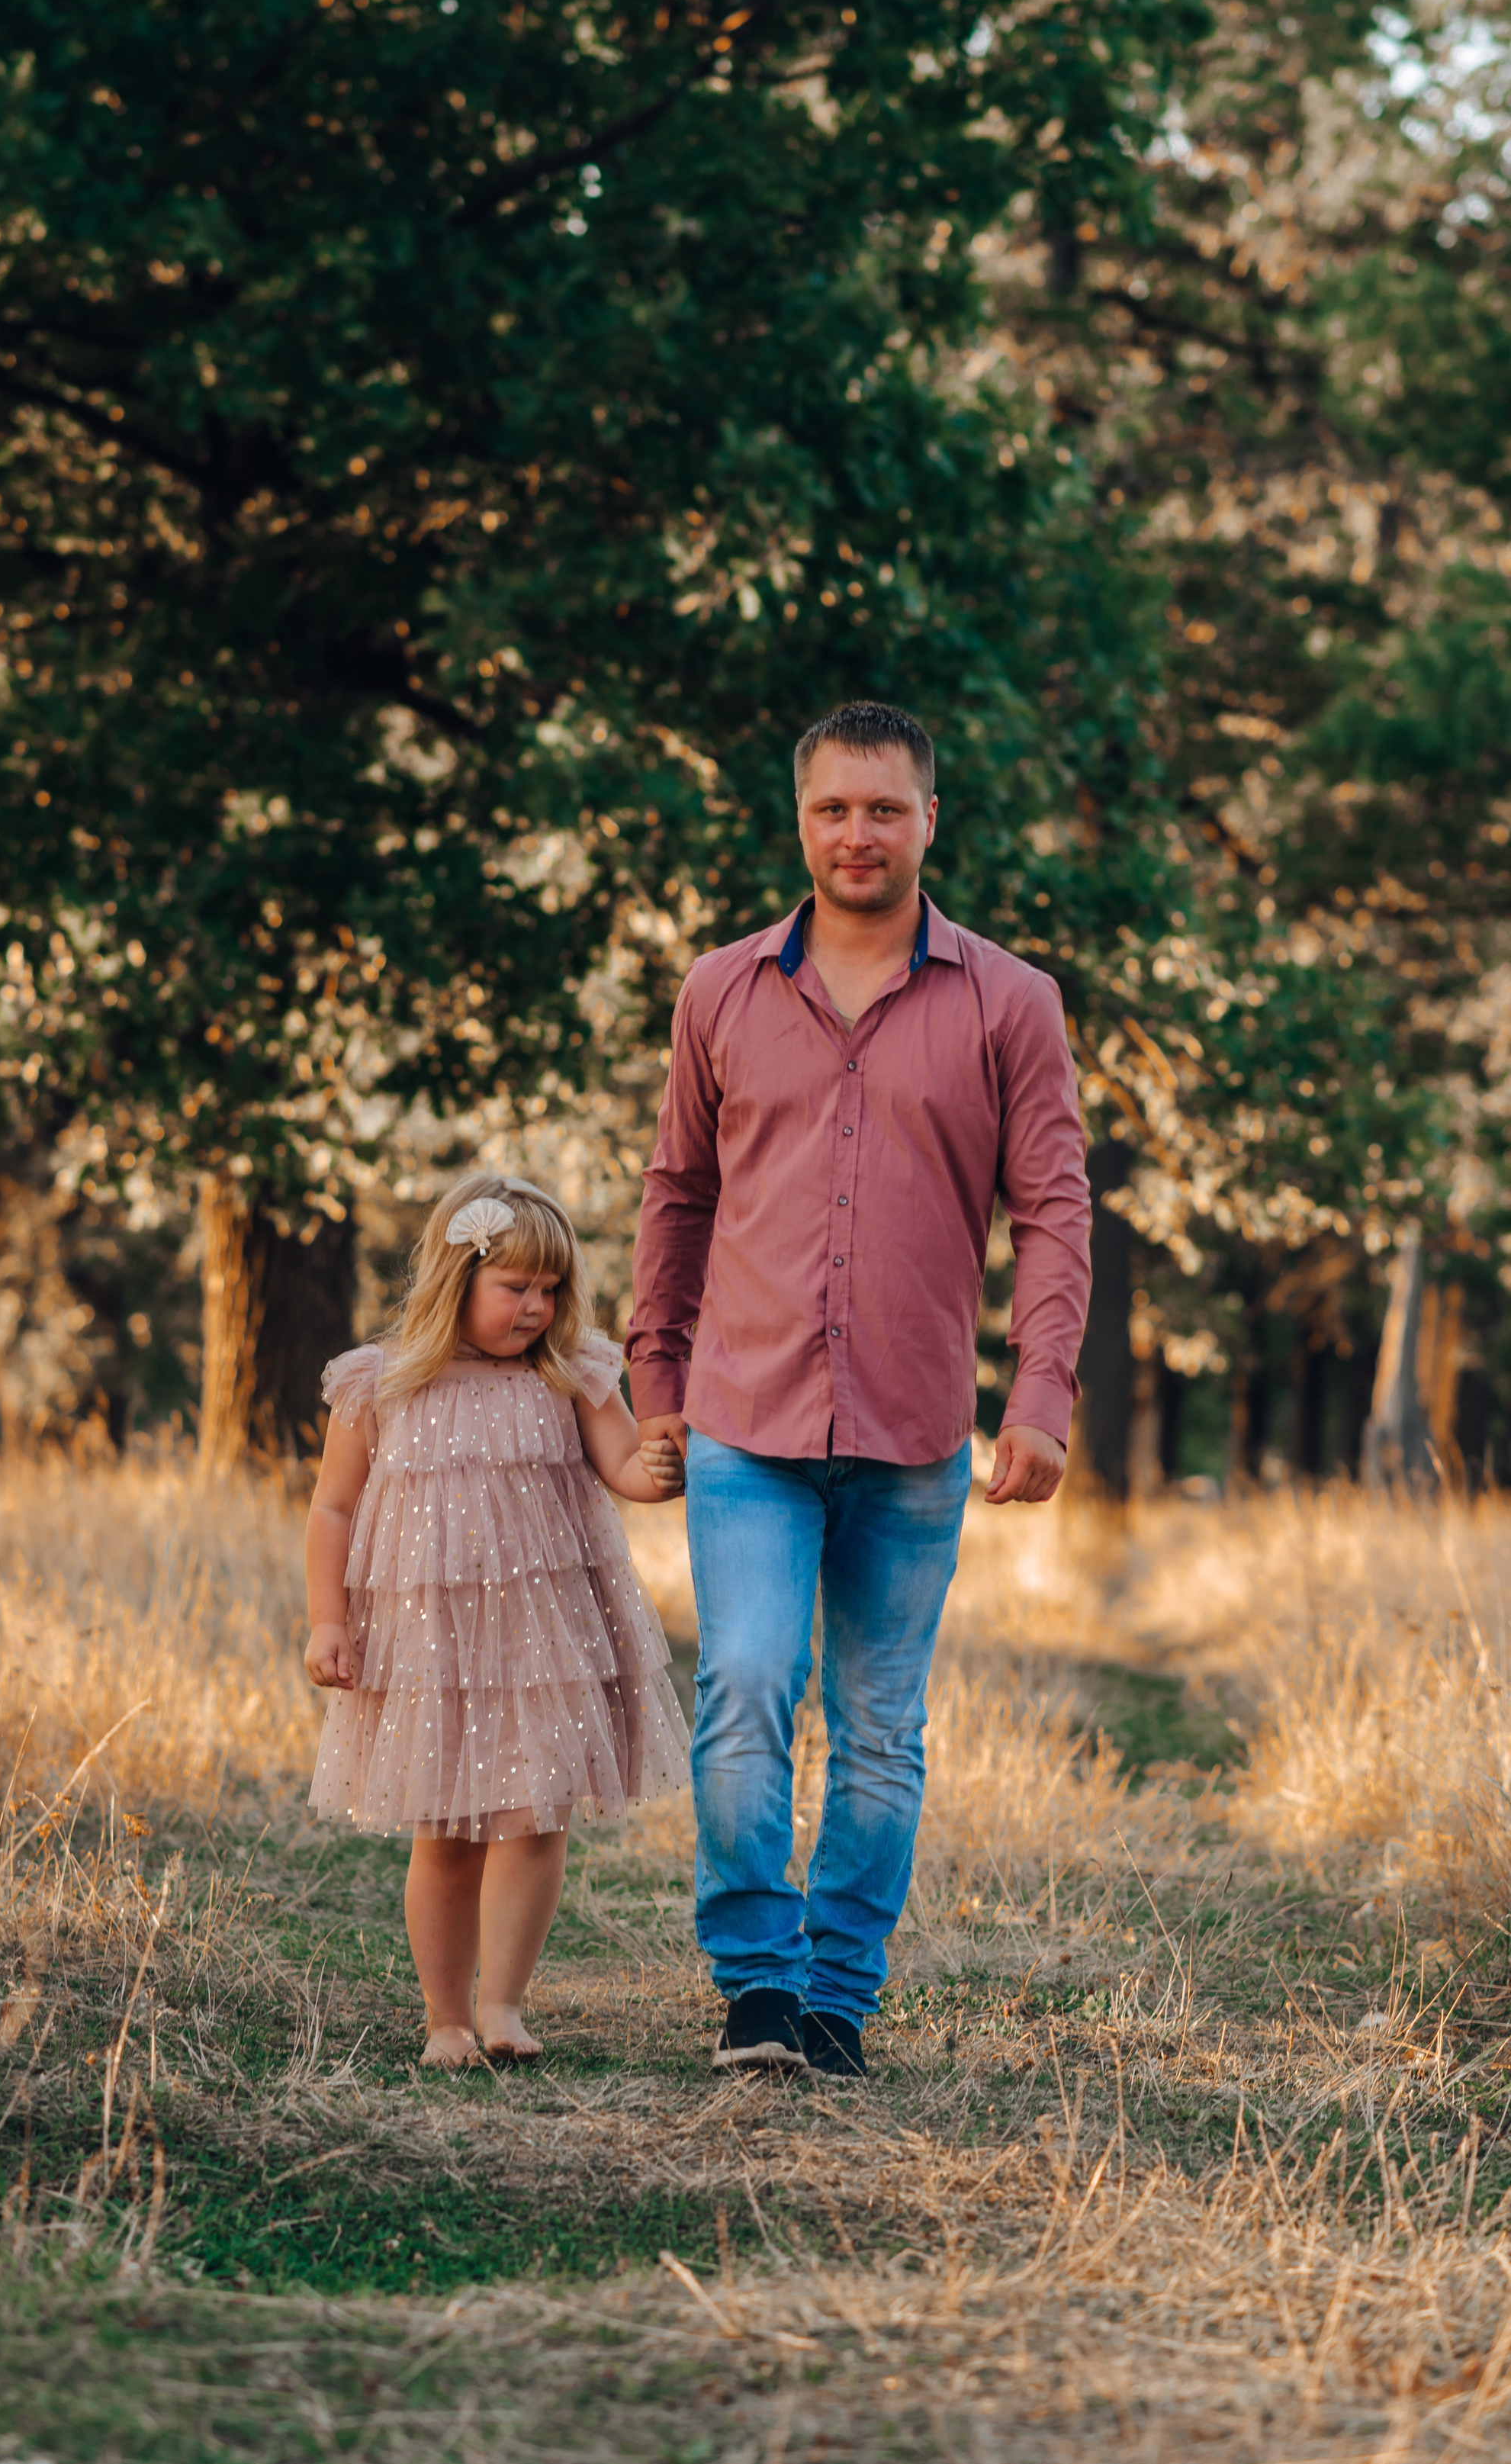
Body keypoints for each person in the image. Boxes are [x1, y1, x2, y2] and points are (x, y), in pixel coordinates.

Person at [628, 700, 1091, 2080]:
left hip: (911, 1424)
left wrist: (1042, 1394)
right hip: (745, 1416)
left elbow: (1055, 1209)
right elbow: (678, 1192)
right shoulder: (719, 989)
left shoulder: (1012, 1000)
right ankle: (756, 1982)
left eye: (884, 807)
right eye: (834, 806)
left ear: (929, 820)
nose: (857, 832)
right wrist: (658, 1373)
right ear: (801, 817)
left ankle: (839, 1998)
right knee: (748, 1683)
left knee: (883, 1725)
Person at [304, 1173, 690, 2068]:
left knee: (533, 1816)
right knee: (442, 1830)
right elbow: (332, 1510)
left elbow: (625, 1466)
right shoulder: (383, 1385)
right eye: (515, 1288)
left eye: (551, 1290)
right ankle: (445, 2019)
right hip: (428, 1645)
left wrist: (663, 1465)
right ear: (456, 1282)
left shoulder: (572, 1373)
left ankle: (504, 2005)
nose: (537, 1307)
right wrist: (329, 1620)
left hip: (543, 1637)